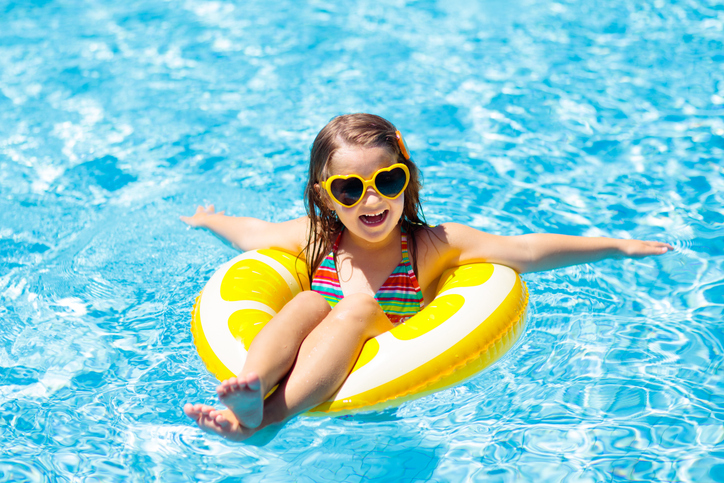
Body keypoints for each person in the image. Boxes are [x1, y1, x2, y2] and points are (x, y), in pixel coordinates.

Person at [181, 113, 672, 442]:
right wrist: (210, 221)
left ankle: (265, 420)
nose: (372, 201)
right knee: (308, 303)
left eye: (387, 181)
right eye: (350, 189)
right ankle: (251, 386)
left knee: (352, 307)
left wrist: (617, 246)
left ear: (406, 178)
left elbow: (525, 249)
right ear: (326, 196)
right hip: (312, 360)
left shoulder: (429, 246)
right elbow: (254, 235)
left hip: (383, 392)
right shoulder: (316, 239)